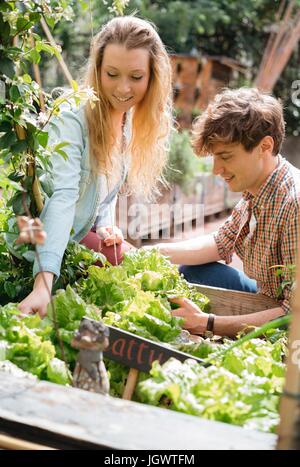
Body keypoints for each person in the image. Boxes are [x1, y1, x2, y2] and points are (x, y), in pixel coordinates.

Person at [18, 15, 173, 317]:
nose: (123, 88)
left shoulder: (127, 121)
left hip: (78, 236)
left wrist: (105, 224)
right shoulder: (72, 119)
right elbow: (63, 199)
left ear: (153, 77)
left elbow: (103, 192)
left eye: (136, 77)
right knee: (124, 267)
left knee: (131, 261)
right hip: (40, 239)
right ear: (98, 69)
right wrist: (43, 285)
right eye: (112, 74)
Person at [154, 88, 300, 337]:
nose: (216, 169)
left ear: (265, 146)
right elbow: (221, 242)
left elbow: (293, 314)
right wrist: (151, 254)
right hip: (265, 296)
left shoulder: (294, 204)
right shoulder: (256, 191)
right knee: (194, 272)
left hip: (288, 318)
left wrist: (208, 322)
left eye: (226, 157)